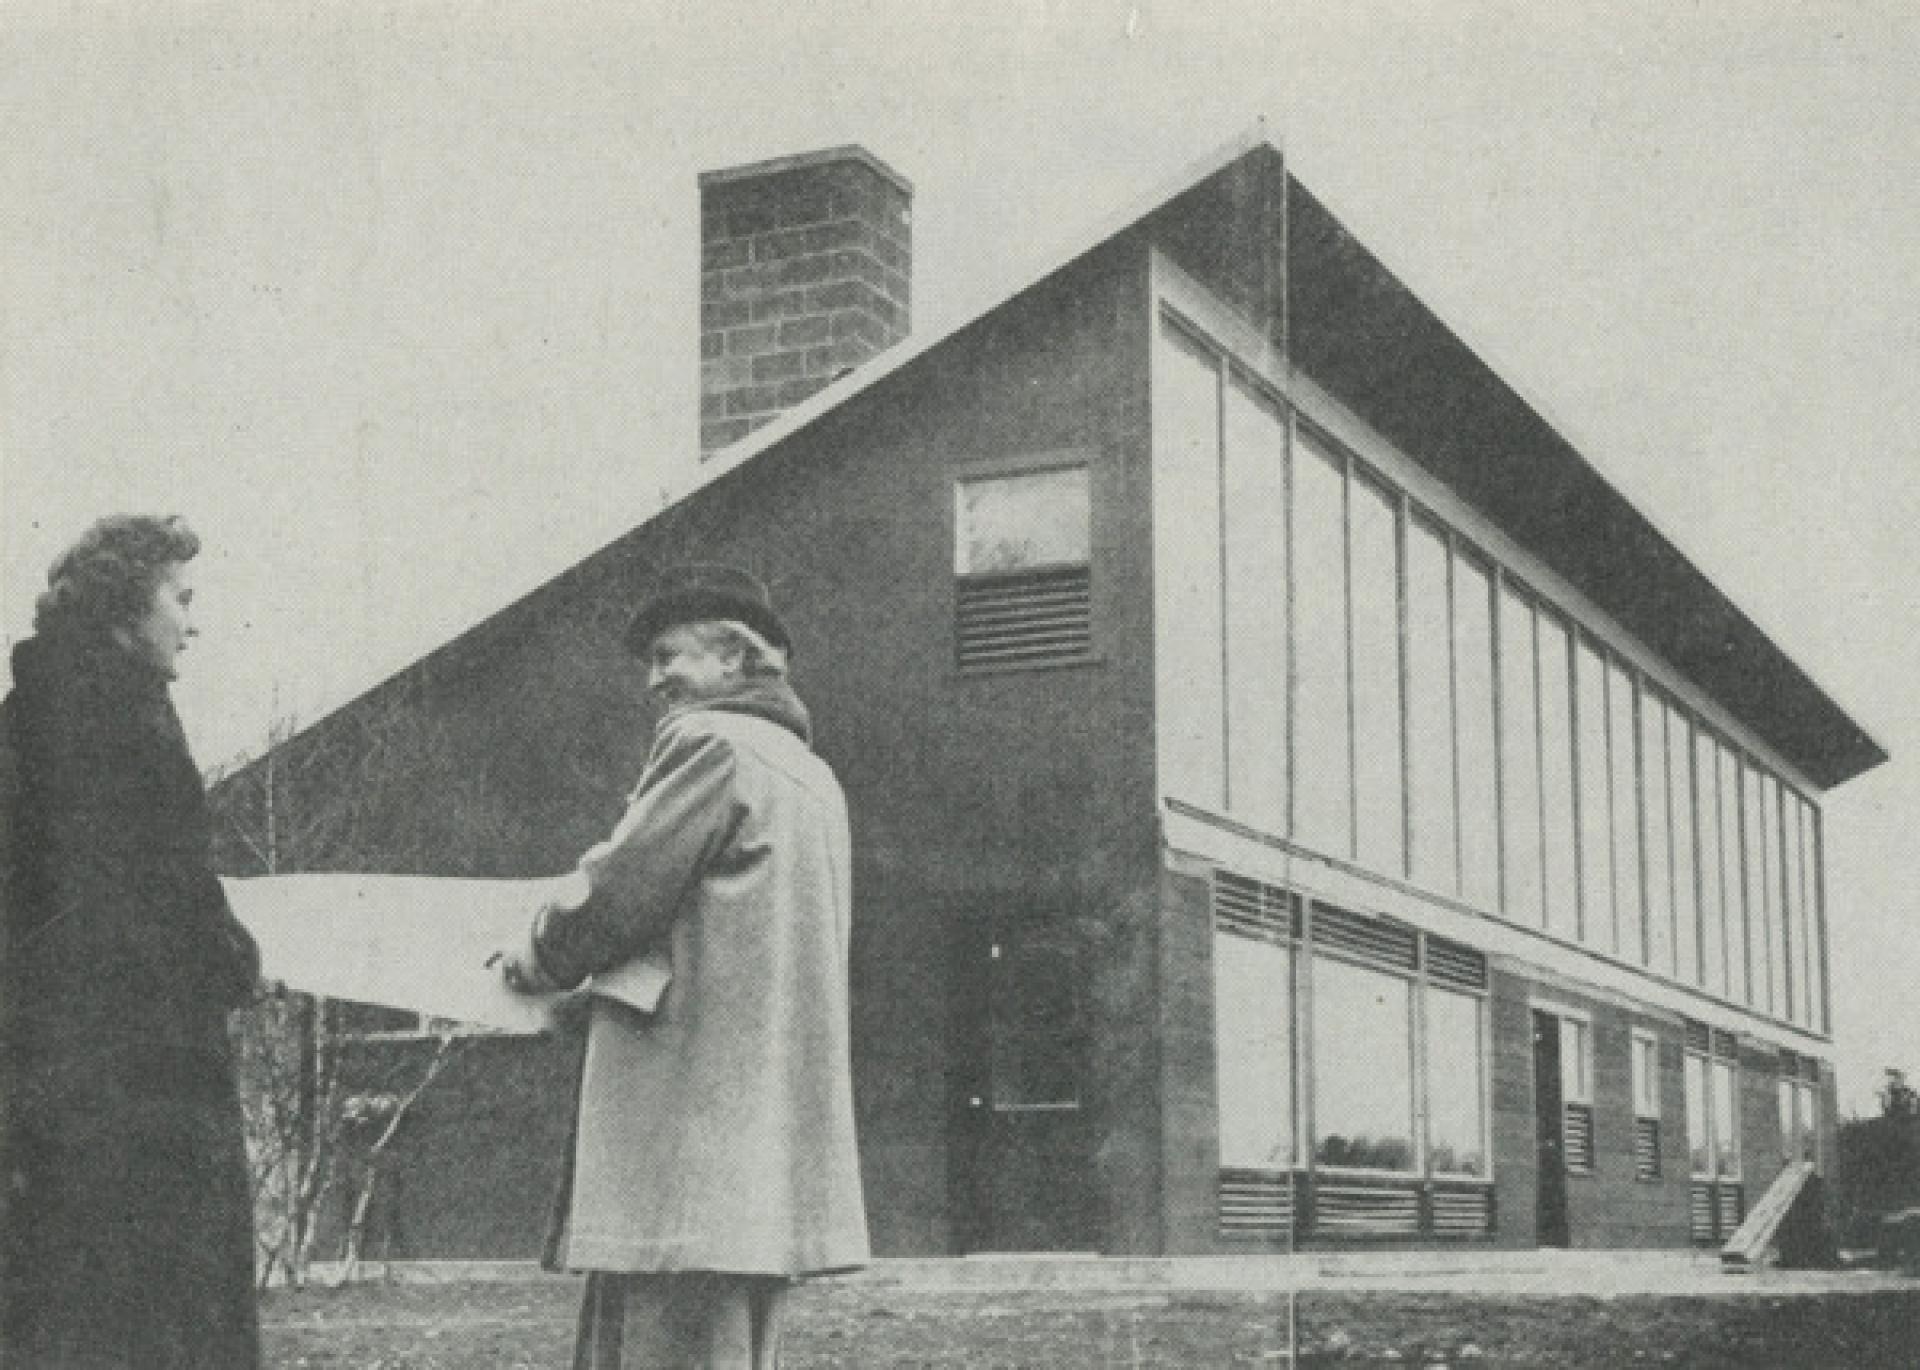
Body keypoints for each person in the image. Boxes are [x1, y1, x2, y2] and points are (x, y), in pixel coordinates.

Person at [497, 563, 867, 1370]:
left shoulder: (710, 742)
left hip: (684, 1131)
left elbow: (617, 893)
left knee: (659, 1338)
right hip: (756, 1143)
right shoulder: (814, 777)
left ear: (736, 661)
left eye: (671, 656)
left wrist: (534, 954)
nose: (655, 679)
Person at [1, 515, 263, 1369]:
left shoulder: (36, 711)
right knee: (152, 1320)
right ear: (123, 607)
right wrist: (233, 957)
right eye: (180, 600)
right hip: (132, 1095)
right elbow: (154, 900)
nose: (194, 621)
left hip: (54, 1091)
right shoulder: (117, 722)